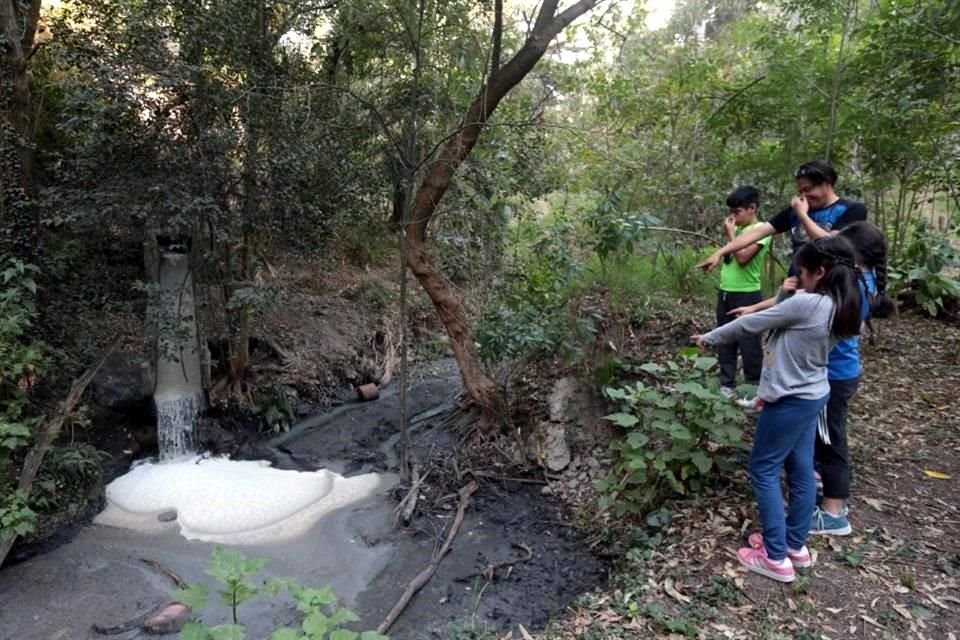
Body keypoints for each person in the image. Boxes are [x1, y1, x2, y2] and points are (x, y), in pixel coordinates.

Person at [691, 236, 863, 583]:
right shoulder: (838, 303)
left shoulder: (810, 304)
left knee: (763, 469)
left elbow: (750, 324)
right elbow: (786, 332)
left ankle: (773, 556)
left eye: (803, 272)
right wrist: (787, 293)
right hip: (813, 395)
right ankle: (794, 545)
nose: (799, 277)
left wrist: (709, 338)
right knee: (800, 469)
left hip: (789, 401)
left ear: (821, 271)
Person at [730, 223, 894, 536]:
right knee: (819, 441)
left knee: (830, 441)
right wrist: (762, 304)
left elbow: (799, 308)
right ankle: (813, 500)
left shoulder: (850, 285)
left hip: (828, 374)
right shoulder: (852, 281)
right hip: (826, 374)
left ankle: (833, 513)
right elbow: (796, 303)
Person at [696, 160, 867, 274]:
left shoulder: (852, 210)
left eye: (808, 189)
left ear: (826, 183)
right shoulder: (793, 212)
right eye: (800, 191)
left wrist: (802, 215)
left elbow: (832, 245)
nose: (804, 196)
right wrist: (719, 253)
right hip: (796, 285)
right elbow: (757, 232)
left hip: (832, 290)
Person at [714, 186, 771, 399]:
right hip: (726, 292)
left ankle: (752, 388)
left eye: (736, 212)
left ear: (752, 208)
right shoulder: (737, 229)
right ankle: (726, 385)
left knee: (749, 343)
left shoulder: (763, 230)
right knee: (725, 338)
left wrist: (730, 234)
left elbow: (743, 258)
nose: (733, 217)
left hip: (747, 294)